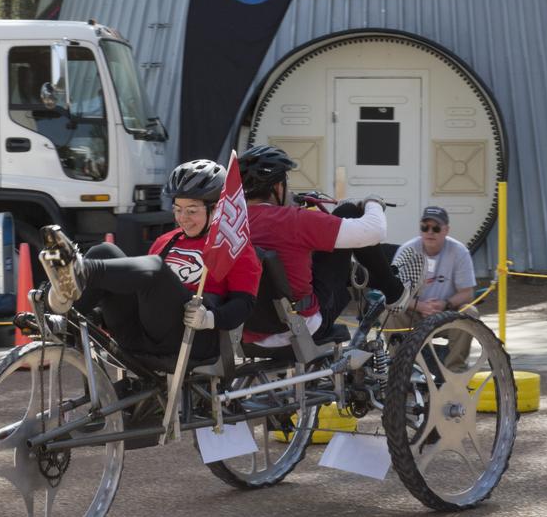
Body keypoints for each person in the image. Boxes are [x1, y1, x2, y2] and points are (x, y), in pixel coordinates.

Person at [39, 159, 261, 361]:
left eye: (192, 211)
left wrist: (211, 318)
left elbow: (244, 304)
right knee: (103, 251)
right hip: (140, 335)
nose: (183, 218)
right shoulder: (167, 240)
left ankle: (80, 269)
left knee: (155, 268)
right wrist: (99, 314)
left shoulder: (233, 247)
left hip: (193, 338)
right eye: (178, 210)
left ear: (216, 210)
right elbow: (140, 289)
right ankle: (62, 321)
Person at [237, 144, 407, 346]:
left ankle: (376, 281)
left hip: (251, 333)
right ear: (278, 187)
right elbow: (374, 231)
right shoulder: (293, 220)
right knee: (348, 212)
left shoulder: (233, 224)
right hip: (304, 327)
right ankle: (395, 292)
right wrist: (374, 202)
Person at [385, 206, 477, 368]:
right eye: (425, 227)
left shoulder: (459, 252)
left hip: (446, 314)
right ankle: (399, 368)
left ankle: (455, 370)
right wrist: (420, 306)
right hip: (412, 314)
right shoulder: (407, 251)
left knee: (470, 312)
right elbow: (394, 293)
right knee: (389, 312)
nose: (430, 232)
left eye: (436, 228)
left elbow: (468, 293)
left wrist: (445, 304)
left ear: (446, 230)